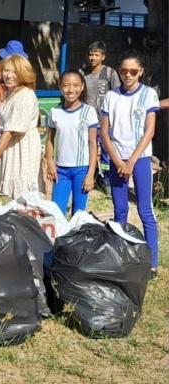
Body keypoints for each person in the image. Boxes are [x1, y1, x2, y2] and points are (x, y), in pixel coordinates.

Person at [100, 50, 160, 277]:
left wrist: (132, 161)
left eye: (133, 71)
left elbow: (149, 131)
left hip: (141, 158)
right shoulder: (111, 96)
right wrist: (117, 160)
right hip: (117, 158)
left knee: (145, 209)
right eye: (123, 71)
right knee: (120, 210)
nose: (128, 75)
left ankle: (153, 261)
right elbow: (104, 132)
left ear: (141, 72)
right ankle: (121, 255)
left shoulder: (149, 95)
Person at [0, 55, 41, 198]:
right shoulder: (10, 93)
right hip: (8, 146)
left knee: (20, 192)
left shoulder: (25, 95)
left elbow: (9, 131)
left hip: (21, 147)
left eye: (14, 71)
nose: (9, 75)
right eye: (6, 71)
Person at [45, 70, 99, 216]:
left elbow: (93, 143)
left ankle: (76, 238)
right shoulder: (55, 112)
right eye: (66, 85)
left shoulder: (89, 111)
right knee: (57, 212)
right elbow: (49, 140)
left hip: (81, 170)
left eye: (75, 85)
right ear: (61, 87)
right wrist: (50, 162)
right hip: (61, 170)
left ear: (82, 87)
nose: (71, 89)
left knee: (79, 213)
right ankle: (60, 239)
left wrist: (90, 173)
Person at [81, 41, 121, 193]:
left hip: (105, 123)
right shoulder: (83, 73)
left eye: (96, 55)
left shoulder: (110, 73)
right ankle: (88, 177)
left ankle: (106, 181)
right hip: (86, 122)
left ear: (103, 57)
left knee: (106, 153)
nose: (93, 57)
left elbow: (117, 97)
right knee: (87, 150)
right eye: (91, 54)